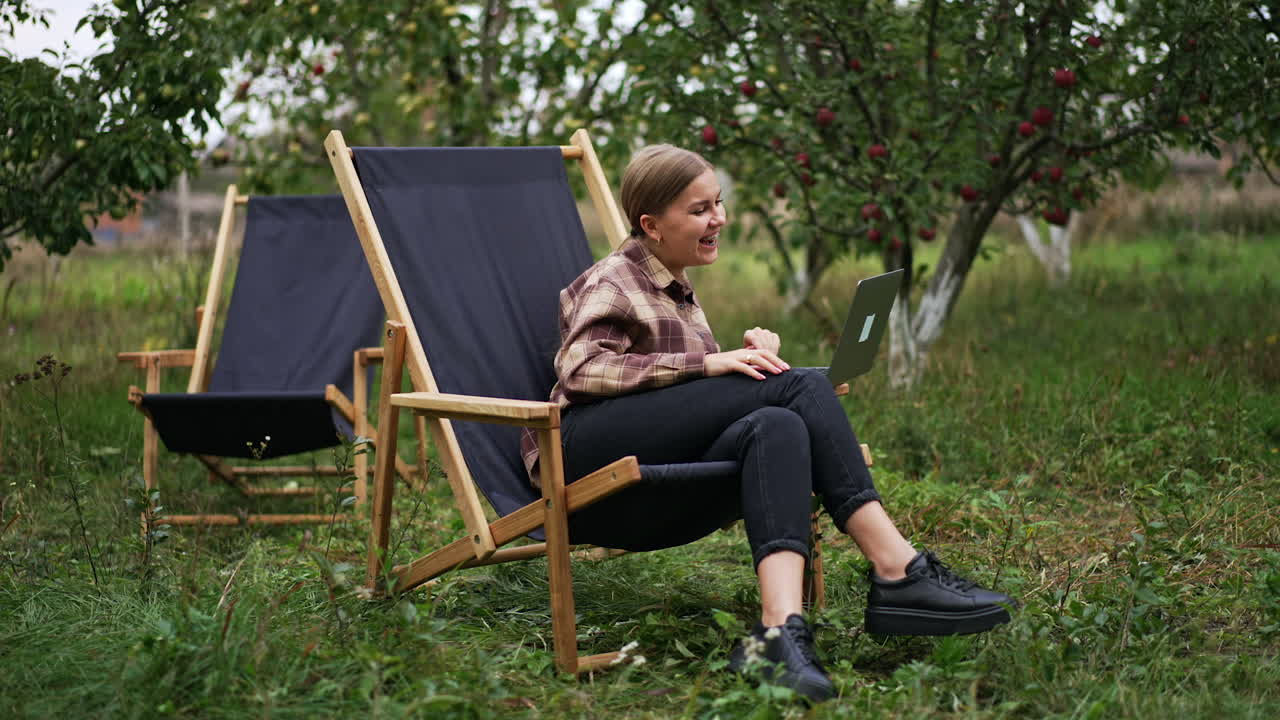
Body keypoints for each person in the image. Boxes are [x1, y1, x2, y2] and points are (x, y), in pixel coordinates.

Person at [518, 144, 1014, 702]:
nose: (719, 219)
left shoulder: (676, 284)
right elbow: (582, 369)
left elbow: (671, 395)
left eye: (719, 203)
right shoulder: (614, 279)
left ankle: (779, 633)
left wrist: (744, 359)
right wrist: (712, 364)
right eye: (700, 209)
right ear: (651, 225)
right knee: (801, 385)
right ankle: (898, 569)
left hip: (644, 466)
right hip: (579, 454)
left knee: (778, 423)